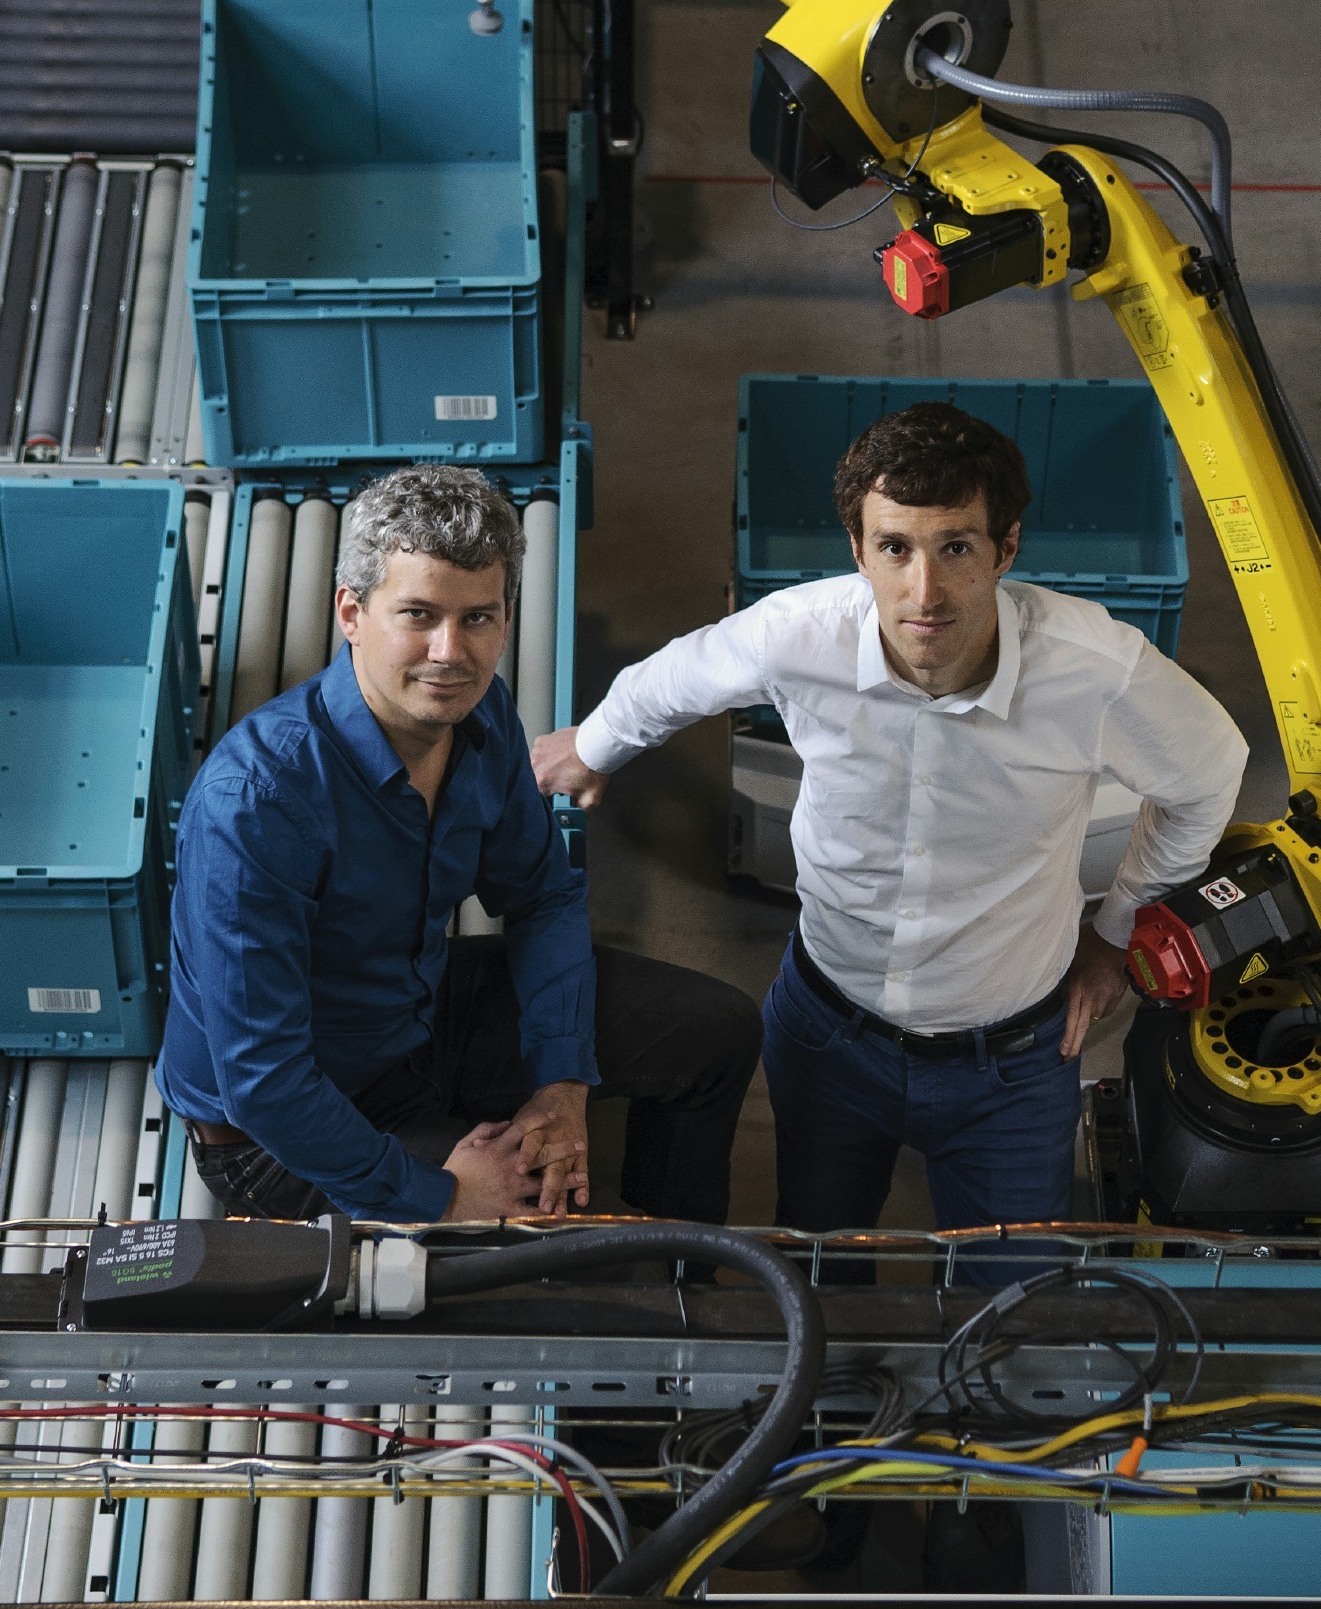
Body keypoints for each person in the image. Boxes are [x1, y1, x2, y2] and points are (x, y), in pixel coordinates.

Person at [533, 402, 1248, 1259]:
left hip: (1015, 1067)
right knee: (822, 1271)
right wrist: (597, 743)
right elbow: (677, 676)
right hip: (829, 1039)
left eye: (956, 547)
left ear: (1006, 548)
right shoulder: (798, 635)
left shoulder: (1094, 672)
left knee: (1012, 1307)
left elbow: (1209, 774)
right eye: (895, 548)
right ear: (859, 551)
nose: (925, 592)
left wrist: (1117, 931)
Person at [157, 465, 762, 1227]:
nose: (451, 652)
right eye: (418, 614)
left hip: (417, 1013)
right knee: (578, 1250)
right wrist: (441, 1196)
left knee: (719, 1031)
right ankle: (627, 1271)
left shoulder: (482, 718)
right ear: (351, 611)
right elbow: (266, 1079)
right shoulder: (256, 802)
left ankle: (682, 1263)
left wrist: (562, 1078)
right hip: (279, 1123)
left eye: (479, 618)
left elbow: (541, 896)